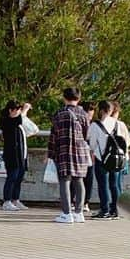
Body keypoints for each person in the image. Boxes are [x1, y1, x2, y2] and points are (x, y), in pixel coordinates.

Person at [47, 88, 92, 224]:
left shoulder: (59, 114)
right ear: (78, 98)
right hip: (80, 151)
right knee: (79, 181)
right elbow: (86, 135)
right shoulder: (84, 114)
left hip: (64, 150)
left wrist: (50, 153)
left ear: (64, 98)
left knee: (64, 181)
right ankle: (79, 213)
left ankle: (66, 214)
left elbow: (53, 136)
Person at [89, 100, 127, 219]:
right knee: (115, 185)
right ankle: (117, 210)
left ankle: (105, 210)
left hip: (102, 159)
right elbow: (122, 141)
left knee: (103, 185)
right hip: (115, 158)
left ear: (100, 110)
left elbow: (92, 144)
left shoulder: (96, 125)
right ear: (111, 111)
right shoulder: (117, 124)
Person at [0, 100, 37, 210]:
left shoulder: (18, 122)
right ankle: (7, 201)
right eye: (17, 110)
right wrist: (25, 110)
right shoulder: (6, 121)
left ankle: (15, 200)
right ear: (10, 110)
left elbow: (32, 129)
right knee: (12, 177)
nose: (19, 112)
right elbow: (18, 120)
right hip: (12, 155)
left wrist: (24, 112)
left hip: (21, 155)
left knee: (19, 178)